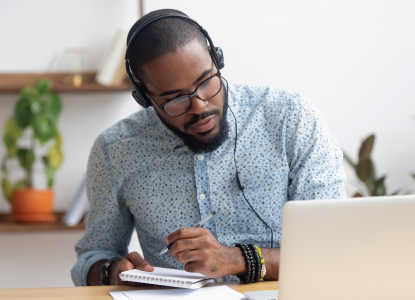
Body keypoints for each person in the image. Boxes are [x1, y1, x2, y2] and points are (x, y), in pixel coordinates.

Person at [71, 8, 346, 286]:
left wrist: (236, 259)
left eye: (205, 82)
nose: (200, 106)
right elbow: (92, 257)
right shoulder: (115, 150)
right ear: (145, 98)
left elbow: (334, 248)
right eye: (175, 99)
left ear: (218, 60)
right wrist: (112, 271)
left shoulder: (291, 119)